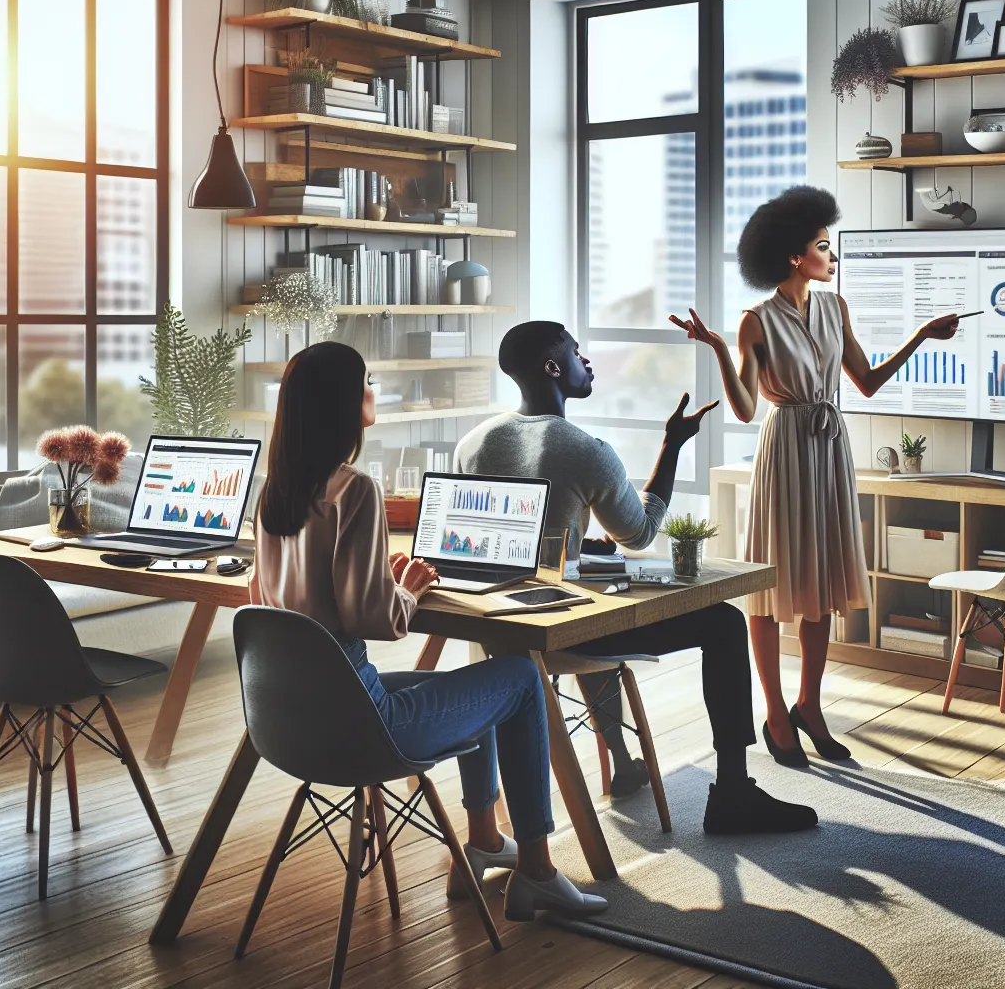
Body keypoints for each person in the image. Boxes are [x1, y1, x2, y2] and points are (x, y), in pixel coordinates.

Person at [248, 341, 607, 921]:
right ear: (341, 402)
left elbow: (283, 606)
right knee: (516, 676)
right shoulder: (354, 491)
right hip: (362, 725)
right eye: (366, 379)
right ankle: (537, 872)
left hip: (289, 722)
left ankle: (488, 843)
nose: (374, 389)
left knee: (477, 680)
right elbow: (379, 622)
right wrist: (408, 590)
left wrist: (381, 581)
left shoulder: (273, 496)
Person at [454, 321, 818, 835]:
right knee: (725, 624)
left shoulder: (473, 443)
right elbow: (640, 533)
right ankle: (733, 793)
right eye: (578, 354)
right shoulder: (585, 449)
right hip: (566, 627)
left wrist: (573, 545)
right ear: (554, 369)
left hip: (502, 630)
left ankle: (624, 761)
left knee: (596, 602)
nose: (589, 362)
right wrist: (673, 445)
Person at [670, 186, 960, 766]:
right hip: (785, 451)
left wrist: (922, 335)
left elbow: (868, 382)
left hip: (829, 450)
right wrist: (720, 350)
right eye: (824, 247)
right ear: (792, 256)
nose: (834, 257)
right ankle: (775, 712)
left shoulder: (835, 308)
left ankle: (811, 706)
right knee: (773, 587)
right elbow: (748, 409)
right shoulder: (756, 321)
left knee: (821, 587)